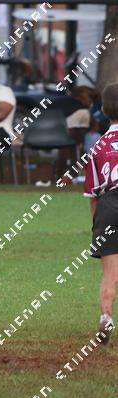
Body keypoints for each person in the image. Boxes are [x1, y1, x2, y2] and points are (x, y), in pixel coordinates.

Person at [83, 83, 118, 344]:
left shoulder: (98, 146)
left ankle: (106, 316)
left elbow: (93, 194)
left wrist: (97, 226)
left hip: (108, 205)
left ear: (103, 111)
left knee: (110, 273)